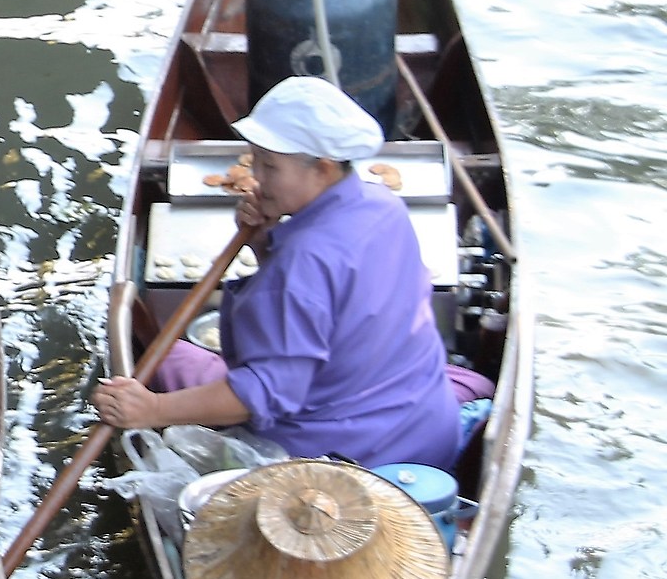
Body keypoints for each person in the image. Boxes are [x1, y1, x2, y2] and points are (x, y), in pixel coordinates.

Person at [91, 75, 489, 471]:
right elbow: (328, 297)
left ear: (324, 168)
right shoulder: (382, 204)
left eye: (270, 166)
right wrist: (265, 240)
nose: (257, 179)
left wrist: (153, 409)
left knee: (170, 355)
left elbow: (262, 394)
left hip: (346, 458)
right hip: (428, 426)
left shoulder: (305, 260)